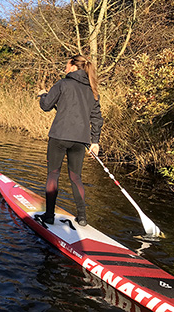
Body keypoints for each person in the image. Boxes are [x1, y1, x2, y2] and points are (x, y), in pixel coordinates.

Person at [36, 55, 103, 227]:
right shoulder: (92, 90)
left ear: (73, 66)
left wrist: (43, 95)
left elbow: (46, 106)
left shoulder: (63, 84)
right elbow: (96, 118)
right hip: (80, 140)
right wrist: (95, 141)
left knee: (53, 174)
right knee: (76, 178)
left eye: (67, 65)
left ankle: (49, 216)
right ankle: (82, 217)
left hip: (59, 136)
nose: (65, 68)